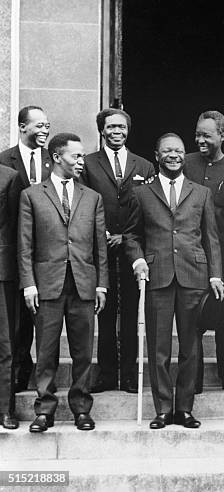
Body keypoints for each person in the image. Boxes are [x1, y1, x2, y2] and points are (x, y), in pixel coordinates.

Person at [124, 133, 223, 429]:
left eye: (178, 151)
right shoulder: (142, 193)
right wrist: (137, 258)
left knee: (191, 346)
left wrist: (216, 274)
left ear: (185, 155)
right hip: (158, 276)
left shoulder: (201, 192)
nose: (174, 155)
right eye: (167, 150)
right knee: (159, 347)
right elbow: (131, 234)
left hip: (194, 275)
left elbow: (212, 238)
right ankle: (163, 409)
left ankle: (185, 409)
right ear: (157, 155)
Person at [18, 133, 108, 432]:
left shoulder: (92, 197)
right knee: (46, 350)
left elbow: (99, 247)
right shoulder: (32, 195)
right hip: (47, 284)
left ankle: (82, 408)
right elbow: (25, 245)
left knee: (83, 350)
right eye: (76, 157)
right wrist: (29, 283)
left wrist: (101, 285)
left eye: (82, 156)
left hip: (83, 283)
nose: (81, 162)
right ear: (57, 157)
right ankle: (45, 410)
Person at [81, 108, 156, 394]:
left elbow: (149, 208)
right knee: (105, 310)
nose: (116, 132)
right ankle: (106, 373)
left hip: (133, 250)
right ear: (101, 130)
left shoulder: (144, 166)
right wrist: (104, 236)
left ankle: (129, 373)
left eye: (121, 128)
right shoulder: (88, 164)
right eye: (111, 127)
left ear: (128, 130)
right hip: (99, 250)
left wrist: (125, 237)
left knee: (131, 311)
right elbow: (83, 205)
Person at [184, 110, 224, 393]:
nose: (200, 140)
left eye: (206, 135)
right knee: (191, 314)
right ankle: (192, 378)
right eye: (197, 134)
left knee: (221, 315)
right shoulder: (185, 164)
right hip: (190, 253)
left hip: (221, 254)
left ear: (222, 135)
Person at [0, 105, 52, 393]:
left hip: (48, 252)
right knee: (17, 317)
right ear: (22, 127)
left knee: (44, 315)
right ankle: (20, 371)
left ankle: (44, 375)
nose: (45, 130)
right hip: (15, 251)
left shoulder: (54, 160)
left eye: (47, 125)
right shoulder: (4, 161)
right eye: (39, 125)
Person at [0, 165, 23, 429]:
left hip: (2, 271)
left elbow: (18, 227)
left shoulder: (8, 177)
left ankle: (5, 408)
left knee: (5, 344)